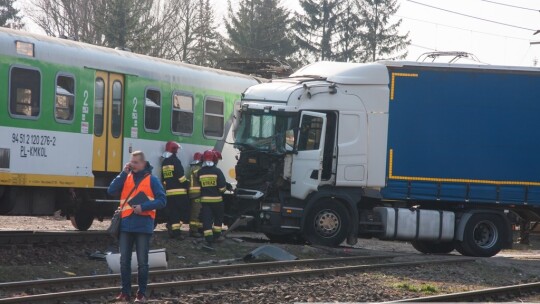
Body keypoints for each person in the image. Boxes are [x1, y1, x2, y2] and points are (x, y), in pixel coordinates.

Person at [107, 151, 166, 303]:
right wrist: (122, 173)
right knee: (124, 261)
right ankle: (125, 292)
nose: (132, 164)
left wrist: (144, 207)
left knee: (142, 263)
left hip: (143, 226)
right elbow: (111, 190)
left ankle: (141, 294)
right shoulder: (125, 177)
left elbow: (162, 201)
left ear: (143, 163)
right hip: (126, 225)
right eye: (131, 162)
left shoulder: (152, 180)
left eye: (135, 162)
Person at [161, 141, 190, 239]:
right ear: (175, 150)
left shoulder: (164, 162)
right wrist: (187, 184)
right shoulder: (175, 161)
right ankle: (176, 232)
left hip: (169, 192)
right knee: (184, 212)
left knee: (174, 213)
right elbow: (181, 177)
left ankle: (173, 229)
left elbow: (163, 179)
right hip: (179, 192)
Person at [198, 150, 227, 247]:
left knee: (206, 220)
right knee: (218, 220)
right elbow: (222, 188)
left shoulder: (200, 172)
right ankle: (217, 236)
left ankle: (208, 239)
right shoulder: (217, 171)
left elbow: (199, 187)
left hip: (205, 201)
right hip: (217, 201)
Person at [188, 152, 203, 237]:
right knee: (196, 212)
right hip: (197, 194)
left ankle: (198, 229)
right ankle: (193, 230)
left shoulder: (193, 167)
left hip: (194, 194)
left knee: (198, 212)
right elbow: (201, 178)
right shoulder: (197, 168)